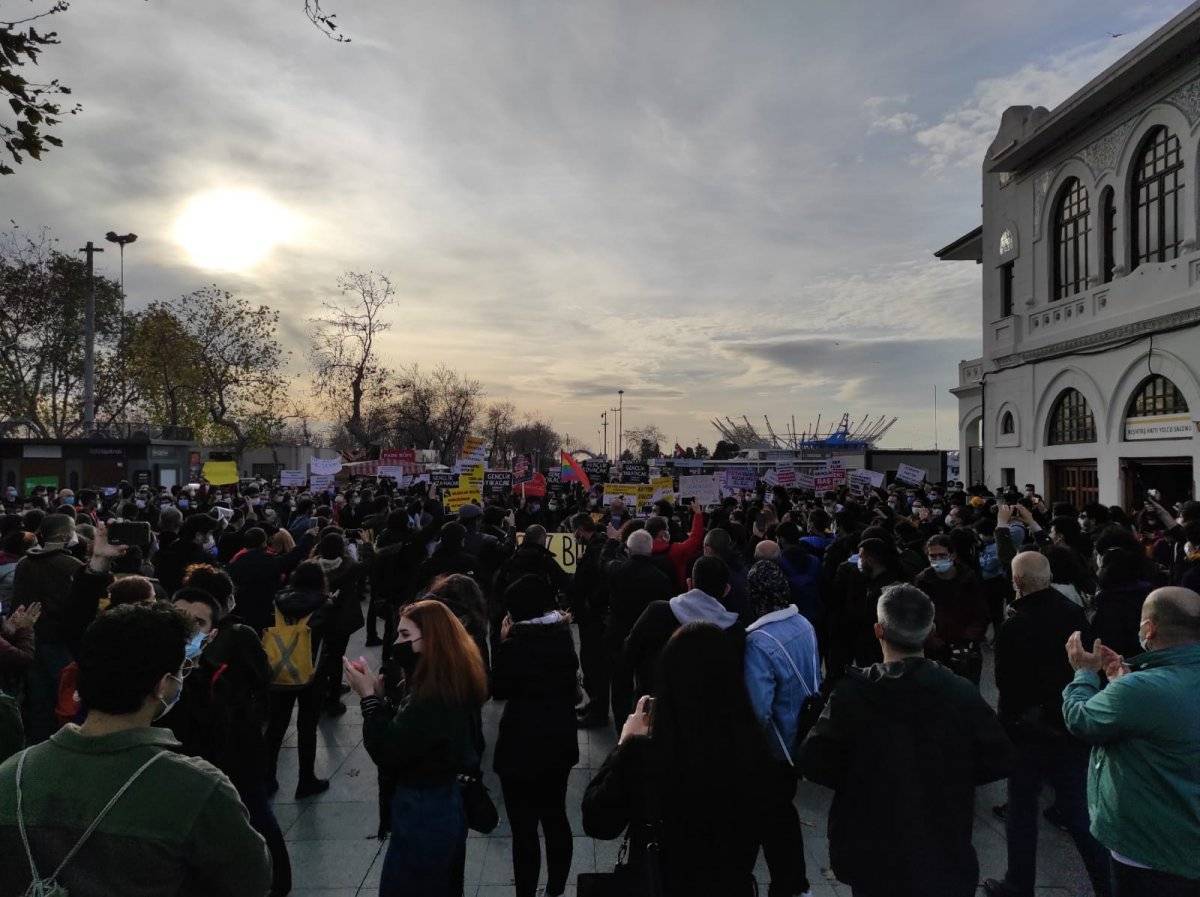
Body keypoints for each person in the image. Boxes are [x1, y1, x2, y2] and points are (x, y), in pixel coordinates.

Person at [0, 602, 271, 897]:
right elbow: (251, 882)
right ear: (163, 685)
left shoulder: (11, 775)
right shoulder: (198, 789)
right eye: (183, 669)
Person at [800, 583, 1014, 897]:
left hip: (871, 842)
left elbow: (814, 761)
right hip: (942, 840)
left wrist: (859, 775)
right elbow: (998, 757)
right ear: (931, 630)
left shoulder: (853, 694)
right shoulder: (959, 692)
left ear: (878, 630)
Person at [583, 622, 773, 897]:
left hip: (657, 884)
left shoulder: (647, 753)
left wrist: (625, 744)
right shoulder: (756, 752)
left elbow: (597, 821)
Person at [984, 551, 1113, 897]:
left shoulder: (1016, 623)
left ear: (1017, 582)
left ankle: (1018, 883)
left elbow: (1006, 682)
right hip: (1069, 722)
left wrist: (1008, 722)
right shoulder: (1072, 612)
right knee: (1080, 814)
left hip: (1028, 729)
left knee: (1022, 809)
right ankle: (1106, 885)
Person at [1062, 587, 1200, 897]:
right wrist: (1123, 685)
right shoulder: (1145, 685)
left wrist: (1084, 674)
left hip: (1150, 850)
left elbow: (1082, 719)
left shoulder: (1143, 689)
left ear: (1149, 628)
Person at [344, 599, 488, 897]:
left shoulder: (432, 696)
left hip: (424, 809)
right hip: (442, 803)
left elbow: (389, 749)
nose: (397, 643)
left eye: (406, 636)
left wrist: (369, 698)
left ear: (432, 640)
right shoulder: (447, 679)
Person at [169, 587, 290, 897]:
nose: (187, 630)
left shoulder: (215, 675)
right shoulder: (151, 678)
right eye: (179, 618)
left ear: (211, 632)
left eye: (197, 623)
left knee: (255, 814)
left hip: (232, 764)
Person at [491, 575, 579, 897]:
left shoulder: (516, 645)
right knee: (556, 816)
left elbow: (498, 688)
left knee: (523, 828)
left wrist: (502, 645)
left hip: (520, 742)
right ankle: (555, 887)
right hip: (558, 738)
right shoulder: (562, 636)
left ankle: (526, 890)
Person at [742, 559, 820, 897]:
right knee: (780, 816)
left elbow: (758, 709)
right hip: (799, 736)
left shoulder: (758, 641)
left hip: (773, 746)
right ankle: (792, 884)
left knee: (763, 817)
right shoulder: (803, 623)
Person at [622, 555, 744, 715]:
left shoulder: (657, 612)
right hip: (706, 719)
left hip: (653, 712)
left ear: (689, 583)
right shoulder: (734, 630)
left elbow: (627, 655)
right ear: (726, 589)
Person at [264, 560, 333, 799]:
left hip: (279, 668)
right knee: (307, 726)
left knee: (276, 726)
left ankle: (268, 778)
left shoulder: (277, 600)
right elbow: (332, 638)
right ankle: (306, 779)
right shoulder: (325, 604)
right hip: (312, 671)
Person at [602, 528, 675, 729]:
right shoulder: (661, 577)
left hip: (619, 635)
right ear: (650, 549)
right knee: (647, 683)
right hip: (649, 639)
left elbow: (604, 561)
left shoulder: (618, 570)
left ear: (628, 549)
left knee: (620, 683)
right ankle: (643, 725)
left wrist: (612, 540)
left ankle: (622, 727)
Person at [914, 534, 989, 684]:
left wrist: (967, 639)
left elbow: (981, 613)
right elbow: (918, 615)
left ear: (952, 555)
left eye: (942, 555)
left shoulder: (968, 578)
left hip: (965, 649)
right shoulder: (922, 581)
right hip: (935, 650)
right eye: (933, 556)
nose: (937, 559)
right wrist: (931, 639)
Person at [570, 512, 611, 728]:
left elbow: (598, 581)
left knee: (594, 664)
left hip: (593, 617)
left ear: (579, 529)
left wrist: (590, 603)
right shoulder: (598, 545)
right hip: (592, 615)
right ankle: (595, 705)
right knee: (592, 662)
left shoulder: (596, 549)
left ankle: (598, 711)